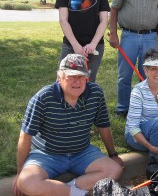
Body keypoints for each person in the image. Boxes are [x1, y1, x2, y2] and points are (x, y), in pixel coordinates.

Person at [13, 54, 123, 196]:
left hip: (82, 152)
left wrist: (112, 154)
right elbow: (25, 136)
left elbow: (103, 125)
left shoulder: (96, 93)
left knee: (115, 170)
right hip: (46, 154)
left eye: (81, 76)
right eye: (71, 76)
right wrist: (19, 172)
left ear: (87, 77)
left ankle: (71, 189)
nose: (77, 81)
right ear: (59, 77)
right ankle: (78, 193)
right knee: (26, 181)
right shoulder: (42, 98)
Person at [55, 0, 110, 83]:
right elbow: (63, 20)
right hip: (70, 45)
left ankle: (85, 104)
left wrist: (93, 44)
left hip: (94, 47)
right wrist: (75, 45)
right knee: (63, 81)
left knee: (88, 83)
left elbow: (104, 21)